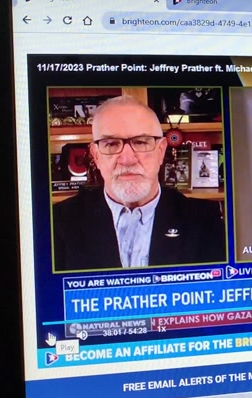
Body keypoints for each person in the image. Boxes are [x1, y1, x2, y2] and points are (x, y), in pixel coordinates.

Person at [52, 96, 226, 271]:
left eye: (141, 142)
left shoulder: (203, 221)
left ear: (161, 151)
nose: (127, 159)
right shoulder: (58, 222)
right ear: (96, 155)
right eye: (111, 144)